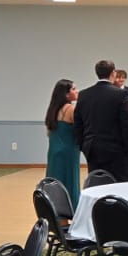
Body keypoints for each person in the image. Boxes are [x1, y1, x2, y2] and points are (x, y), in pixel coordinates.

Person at [73, 59, 128, 182]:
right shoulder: (121, 94)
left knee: (97, 183)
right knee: (119, 184)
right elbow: (126, 125)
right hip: (116, 149)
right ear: (113, 73)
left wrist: (83, 146)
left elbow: (78, 123)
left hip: (92, 148)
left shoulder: (84, 94)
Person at [43, 77, 82, 205]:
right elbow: (80, 129)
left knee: (55, 179)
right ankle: (70, 207)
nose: (77, 91)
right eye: (74, 89)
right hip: (68, 150)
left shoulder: (53, 109)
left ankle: (54, 208)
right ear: (66, 94)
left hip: (54, 150)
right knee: (69, 180)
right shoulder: (70, 109)